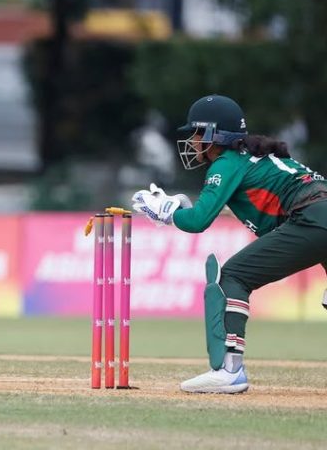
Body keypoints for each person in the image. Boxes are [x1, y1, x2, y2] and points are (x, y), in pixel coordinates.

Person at [132, 94, 327, 394]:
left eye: (197, 133)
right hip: (317, 213)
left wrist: (168, 213)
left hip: (313, 219)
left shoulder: (226, 163)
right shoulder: (254, 158)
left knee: (233, 277)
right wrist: (183, 208)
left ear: (215, 134)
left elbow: (197, 221)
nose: (193, 141)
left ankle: (229, 370)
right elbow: (240, 208)